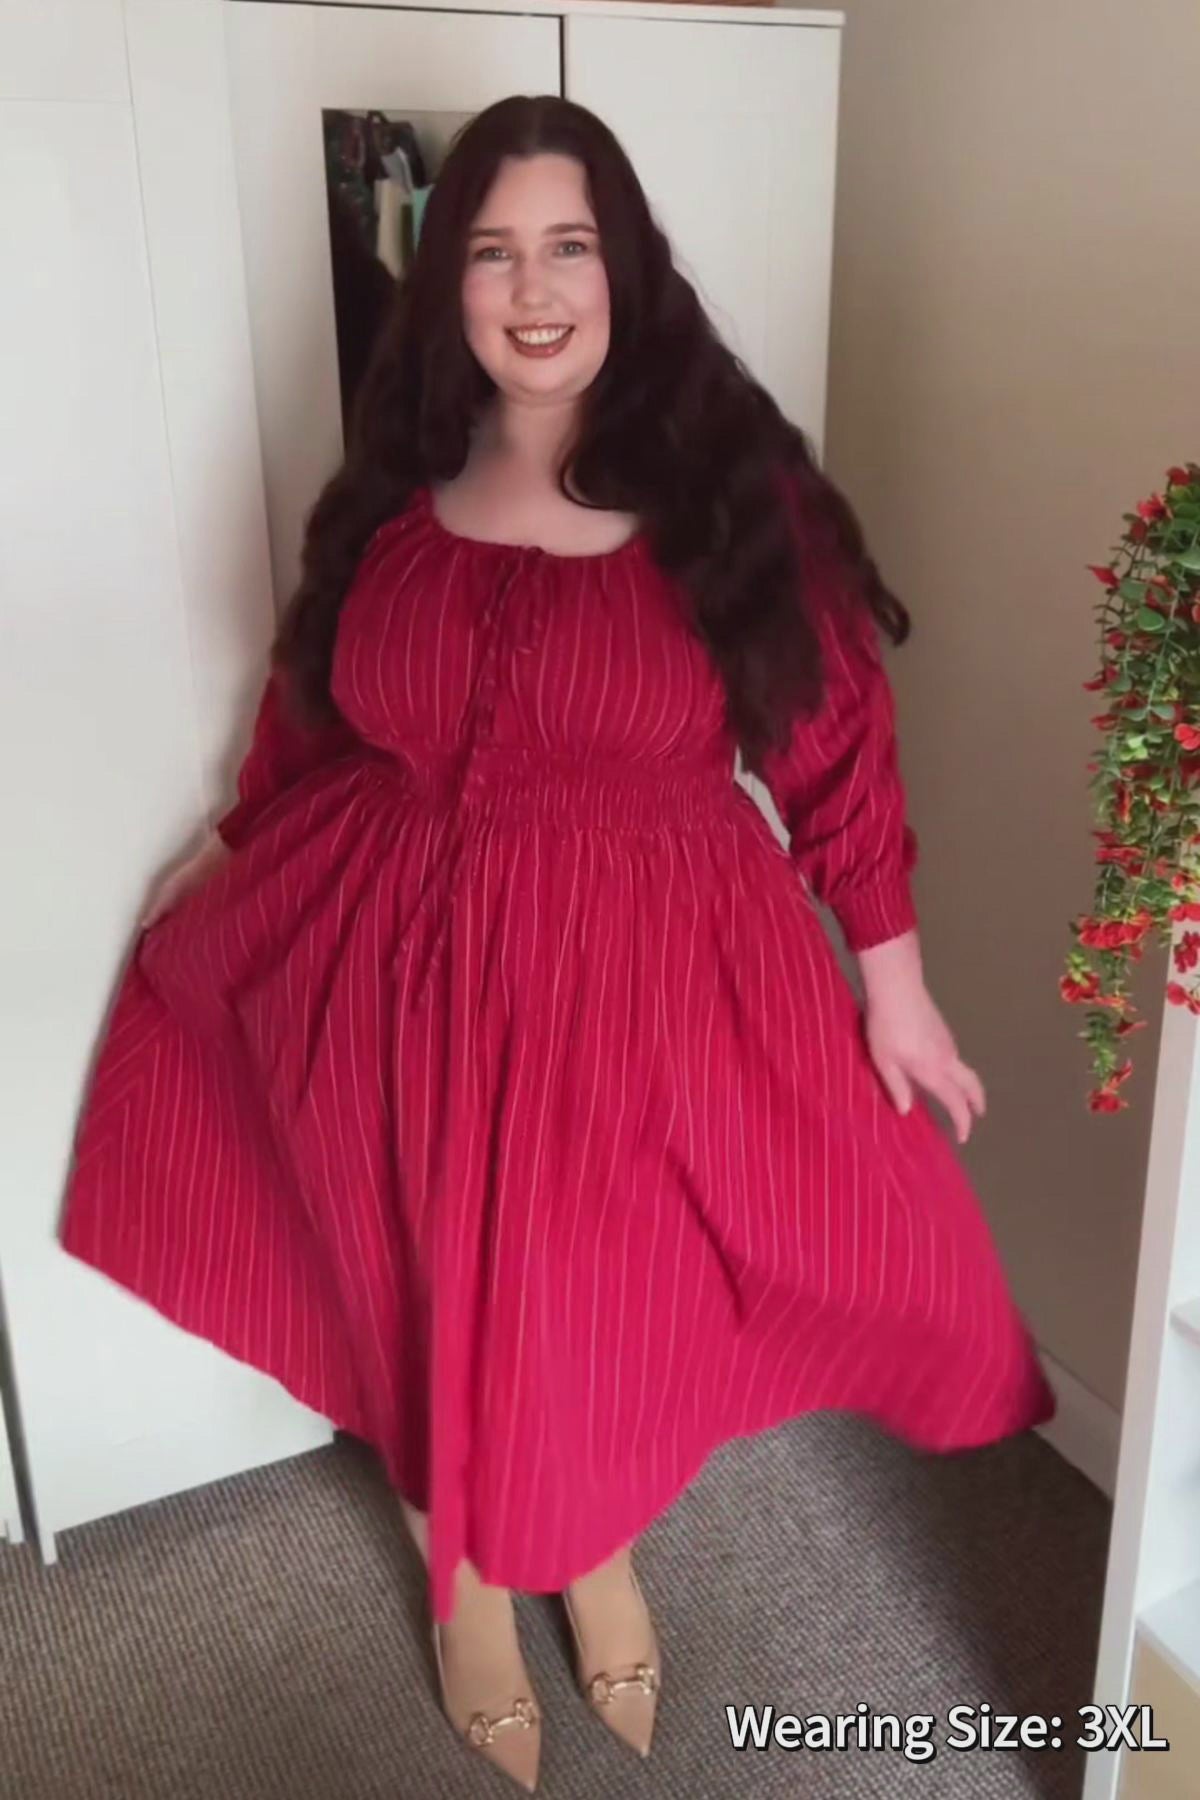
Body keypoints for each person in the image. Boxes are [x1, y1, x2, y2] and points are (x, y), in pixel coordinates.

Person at [60, 94, 1055, 1793]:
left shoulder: (728, 494)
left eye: (570, 246)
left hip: (629, 983)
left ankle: (589, 1546)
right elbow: (316, 706)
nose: (534, 288)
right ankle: (460, 1576)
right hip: (384, 960)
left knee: (590, 1293)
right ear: (447, 282)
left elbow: (837, 744)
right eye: (494, 251)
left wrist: (893, 986)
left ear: (626, 268)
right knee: (408, 1262)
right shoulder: (398, 485)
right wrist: (233, 842)